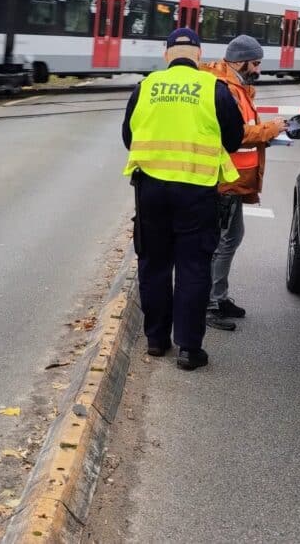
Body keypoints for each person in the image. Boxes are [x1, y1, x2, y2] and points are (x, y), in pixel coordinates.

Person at [122, 28, 244, 370]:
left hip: (150, 192)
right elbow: (233, 140)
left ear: (166, 54)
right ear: (200, 55)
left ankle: (156, 340)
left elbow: (127, 137)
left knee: (154, 265)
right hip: (196, 192)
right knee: (193, 269)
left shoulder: (144, 88)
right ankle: (190, 349)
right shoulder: (214, 89)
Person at [199, 35, 286, 330]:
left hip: (233, 179)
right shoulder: (226, 89)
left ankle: (218, 297)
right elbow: (237, 135)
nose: (258, 69)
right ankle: (211, 303)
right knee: (223, 241)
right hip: (225, 178)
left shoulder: (238, 87)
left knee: (230, 238)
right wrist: (271, 130)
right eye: (256, 63)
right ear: (239, 61)